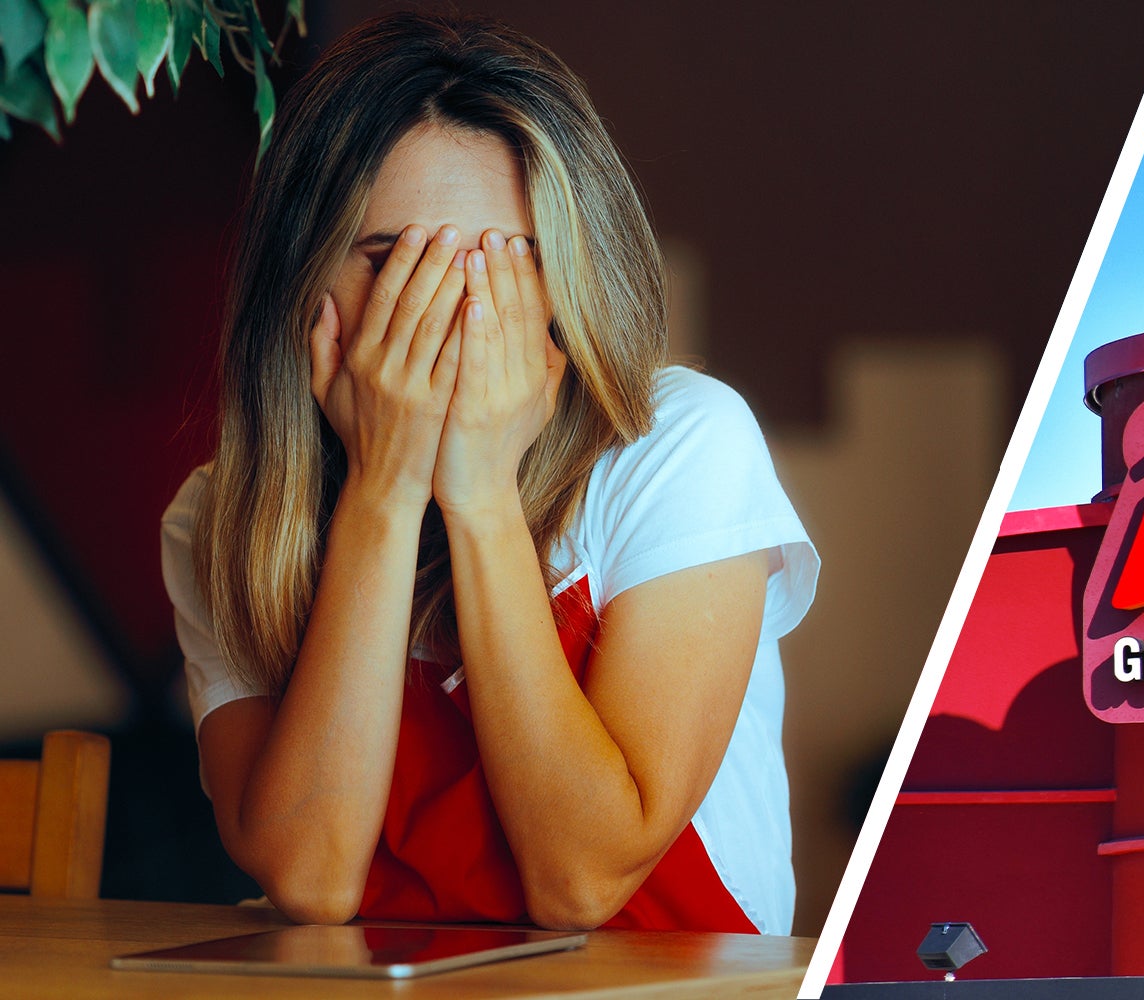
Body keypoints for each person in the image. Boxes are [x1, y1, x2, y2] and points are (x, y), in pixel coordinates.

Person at [158, 11, 816, 934]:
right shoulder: (221, 516)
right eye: (396, 263)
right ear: (304, 282)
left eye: (507, 268)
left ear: (566, 279)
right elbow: (311, 880)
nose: (459, 315)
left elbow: (582, 883)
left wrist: (479, 495)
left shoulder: (681, 446)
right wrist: (382, 494)